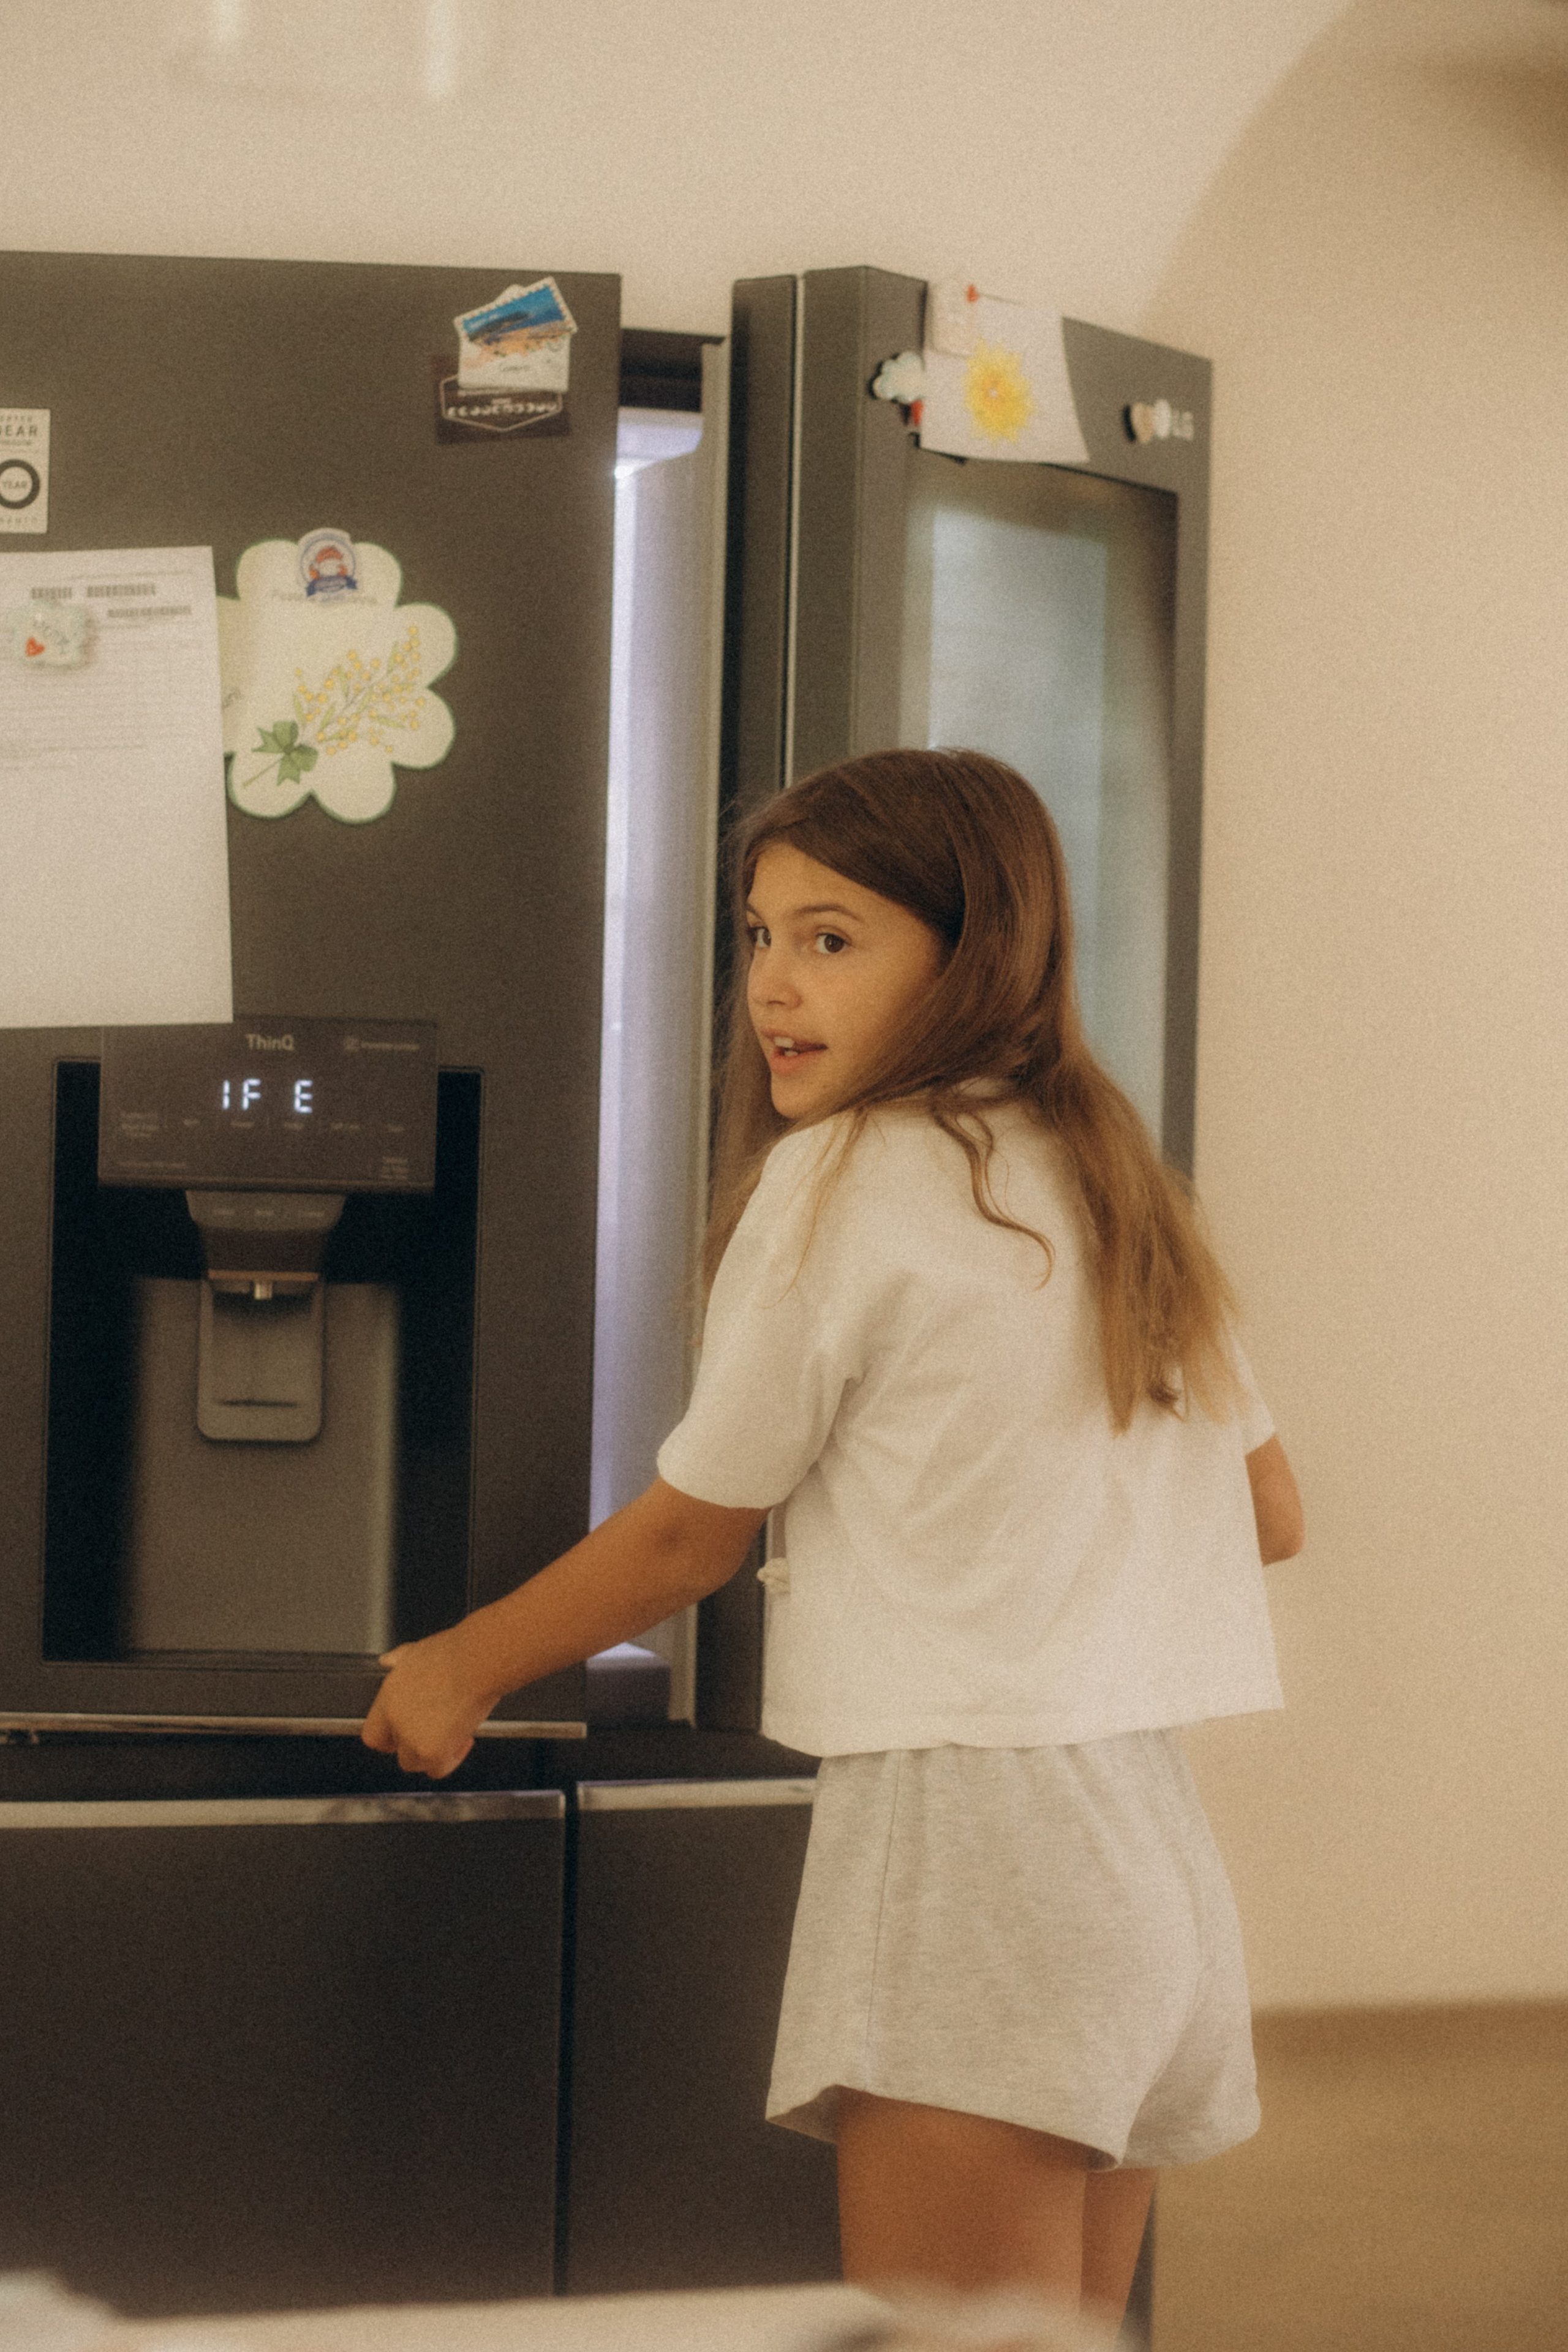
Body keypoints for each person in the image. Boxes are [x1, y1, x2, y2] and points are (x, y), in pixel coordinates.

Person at [362, 747, 1305, 2331]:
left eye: (833, 937)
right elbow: (1266, 1510)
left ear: (973, 950)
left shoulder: (847, 1179)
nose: (774, 989)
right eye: (757, 935)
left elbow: (685, 1542)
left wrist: (457, 1666)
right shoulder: (1111, 1174)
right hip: (1149, 1854)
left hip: (969, 1845)